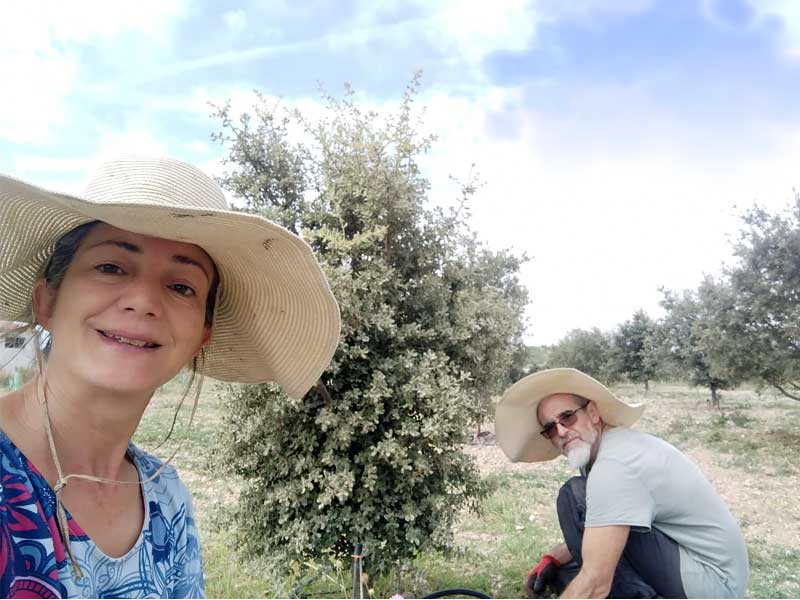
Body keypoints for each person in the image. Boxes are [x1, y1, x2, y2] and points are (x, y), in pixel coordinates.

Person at [0, 157, 341, 598]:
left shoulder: (165, 500)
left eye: (182, 286)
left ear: (201, 334)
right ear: (46, 300)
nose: (143, 300)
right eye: (111, 267)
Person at [495, 368, 748, 599]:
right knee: (568, 575)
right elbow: (607, 529)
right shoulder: (606, 450)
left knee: (573, 498)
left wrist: (588, 582)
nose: (560, 431)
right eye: (550, 428)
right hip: (705, 573)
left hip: (712, 585)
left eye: (568, 417)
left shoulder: (614, 466)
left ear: (593, 413)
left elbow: (596, 583)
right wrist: (553, 557)